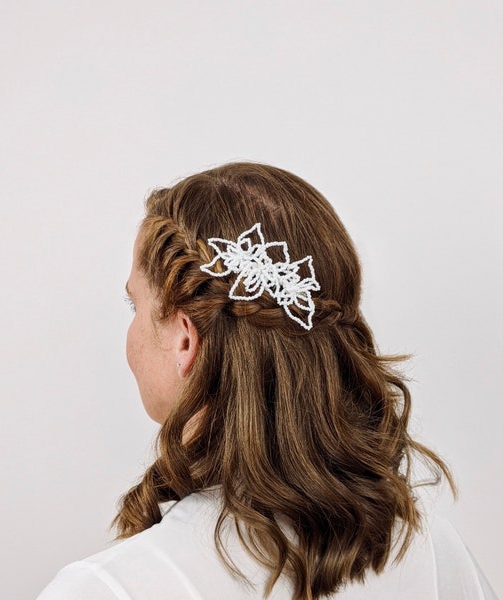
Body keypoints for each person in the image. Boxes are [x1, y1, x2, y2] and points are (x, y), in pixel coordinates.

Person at [37, 163, 498, 600]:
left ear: (185, 339)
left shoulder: (107, 590)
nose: (131, 331)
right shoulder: (433, 552)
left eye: (133, 305)